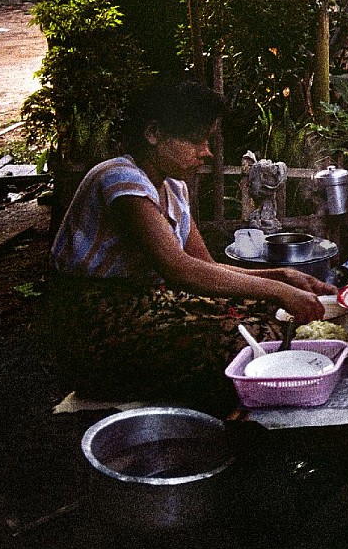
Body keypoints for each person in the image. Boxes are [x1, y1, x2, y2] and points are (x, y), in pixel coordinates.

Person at [43, 76, 330, 411]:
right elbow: (179, 269)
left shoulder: (174, 191)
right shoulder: (118, 179)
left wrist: (283, 276)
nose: (206, 153)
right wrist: (279, 289)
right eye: (197, 141)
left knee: (270, 317)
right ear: (153, 134)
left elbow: (205, 267)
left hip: (152, 307)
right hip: (97, 327)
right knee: (243, 341)